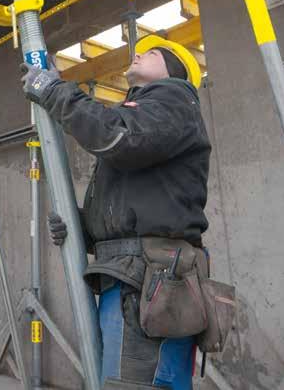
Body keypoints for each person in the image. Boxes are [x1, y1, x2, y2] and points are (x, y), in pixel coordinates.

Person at [21, 36, 211, 390]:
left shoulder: (173, 101)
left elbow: (117, 136)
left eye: (152, 52)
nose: (138, 52)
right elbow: (129, 213)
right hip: (134, 279)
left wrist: (54, 90)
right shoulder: (152, 120)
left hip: (148, 284)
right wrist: (79, 226)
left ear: (175, 73)